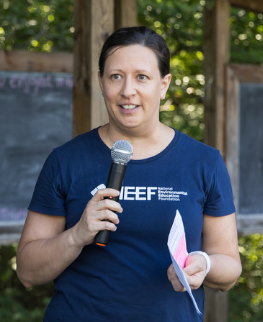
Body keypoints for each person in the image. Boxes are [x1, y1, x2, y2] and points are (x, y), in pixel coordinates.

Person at [16, 26, 242, 320]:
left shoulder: (203, 162)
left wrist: (204, 263)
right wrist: (76, 236)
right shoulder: (66, 160)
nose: (127, 91)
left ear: (164, 84)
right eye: (115, 76)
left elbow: (230, 269)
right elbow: (28, 272)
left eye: (142, 77)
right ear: (101, 82)